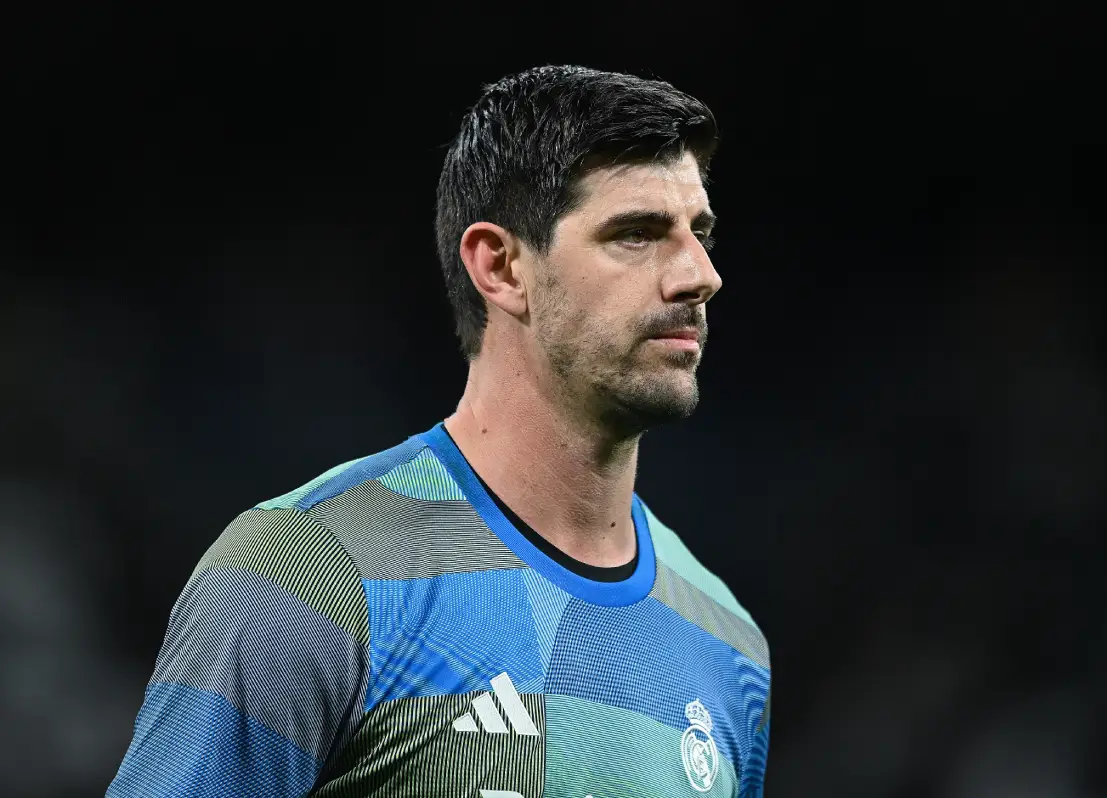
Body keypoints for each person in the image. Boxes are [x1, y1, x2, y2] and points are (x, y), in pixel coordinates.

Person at [107, 64, 771, 798]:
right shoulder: (309, 570)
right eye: (637, 234)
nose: (700, 275)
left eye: (700, 234)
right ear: (502, 268)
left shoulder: (729, 645)